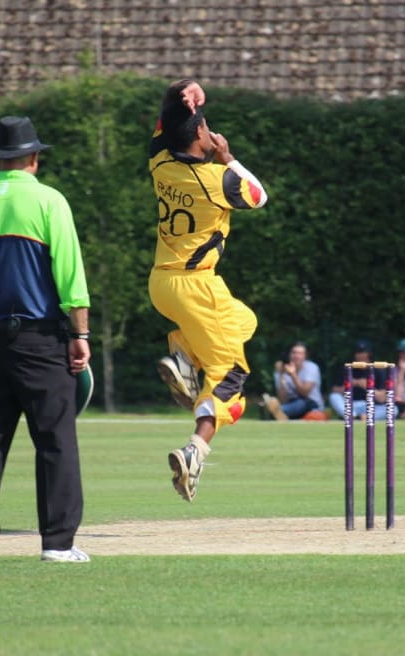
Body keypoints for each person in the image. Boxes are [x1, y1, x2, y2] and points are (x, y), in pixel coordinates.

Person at [0, 115, 92, 563]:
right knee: (55, 439)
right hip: (42, 339)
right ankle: (57, 544)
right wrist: (79, 333)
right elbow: (71, 274)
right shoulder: (50, 201)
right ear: (33, 157)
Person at [146, 79, 269, 503]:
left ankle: (184, 354)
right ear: (200, 134)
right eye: (205, 124)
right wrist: (227, 155)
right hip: (196, 286)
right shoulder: (216, 179)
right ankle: (195, 450)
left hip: (163, 282)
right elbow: (258, 196)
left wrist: (181, 91)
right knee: (232, 380)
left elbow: (164, 124)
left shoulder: (160, 163)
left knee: (244, 320)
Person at [262, 341, 325, 421]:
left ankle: (274, 411)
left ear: (305, 356)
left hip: (311, 405)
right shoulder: (281, 369)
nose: (297, 356)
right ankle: (278, 413)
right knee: (291, 404)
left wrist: (293, 375)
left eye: (300, 353)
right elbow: (283, 400)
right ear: (289, 354)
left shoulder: (311, 367)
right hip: (291, 405)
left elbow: (305, 392)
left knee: (301, 403)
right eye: (294, 353)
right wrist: (281, 375)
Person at [328, 339, 388, 421]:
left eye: (363, 352)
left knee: (393, 409)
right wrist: (350, 384)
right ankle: (352, 416)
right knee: (333, 397)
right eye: (358, 352)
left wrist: (368, 386)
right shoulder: (348, 368)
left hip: (371, 406)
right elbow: (335, 390)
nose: (361, 355)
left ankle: (364, 417)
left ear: (369, 353)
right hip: (351, 405)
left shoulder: (378, 370)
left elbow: (382, 398)